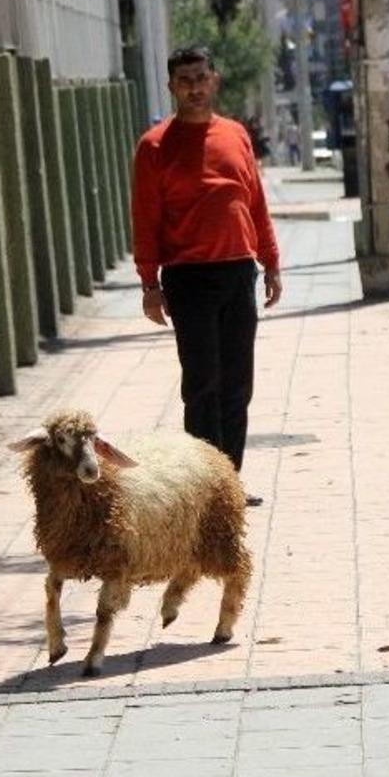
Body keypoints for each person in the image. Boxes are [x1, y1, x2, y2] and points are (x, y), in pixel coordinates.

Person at [131, 46, 283, 508]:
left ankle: (229, 484)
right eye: (184, 80)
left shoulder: (236, 135)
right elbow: (145, 218)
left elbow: (255, 202)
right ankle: (204, 488)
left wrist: (270, 261)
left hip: (239, 271)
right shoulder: (154, 146)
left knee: (238, 383)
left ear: (214, 80)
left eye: (201, 77)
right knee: (202, 383)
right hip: (188, 277)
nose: (194, 87)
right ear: (172, 87)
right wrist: (149, 284)